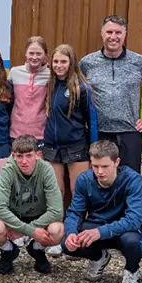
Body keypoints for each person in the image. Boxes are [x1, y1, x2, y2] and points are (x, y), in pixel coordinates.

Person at [78, 15, 142, 174]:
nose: (113, 37)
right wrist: (82, 119)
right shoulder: (86, 63)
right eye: (109, 32)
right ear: (102, 33)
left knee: (130, 178)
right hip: (99, 132)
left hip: (129, 133)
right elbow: (74, 92)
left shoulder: (139, 62)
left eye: (118, 32)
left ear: (125, 34)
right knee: (101, 178)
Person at [63, 140, 142, 283]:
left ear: (117, 162)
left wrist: (101, 232)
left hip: (124, 229)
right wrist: (71, 232)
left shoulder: (132, 179)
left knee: (132, 242)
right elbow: (75, 212)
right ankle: (99, 257)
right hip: (97, 225)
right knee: (66, 244)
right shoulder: (84, 180)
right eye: (95, 166)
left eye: (105, 166)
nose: (100, 171)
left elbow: (134, 219)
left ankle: (132, 270)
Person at [0, 135, 64, 276]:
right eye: (20, 156)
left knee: (57, 230)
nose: (24, 161)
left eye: (29, 156)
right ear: (13, 155)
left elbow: (57, 211)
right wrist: (29, 230)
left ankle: (37, 249)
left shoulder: (46, 170)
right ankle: (9, 251)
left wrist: (27, 230)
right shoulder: (8, 170)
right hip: (15, 215)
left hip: (39, 215)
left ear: (37, 155)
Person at [43, 44, 98, 199]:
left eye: (63, 62)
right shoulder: (50, 85)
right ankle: (57, 223)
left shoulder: (82, 88)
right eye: (56, 62)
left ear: (71, 63)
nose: (59, 66)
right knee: (55, 192)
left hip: (76, 146)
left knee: (78, 192)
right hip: (52, 147)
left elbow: (92, 121)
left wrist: (93, 149)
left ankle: (81, 223)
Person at [8, 36, 50, 143]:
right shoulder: (14, 72)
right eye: (31, 53)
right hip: (16, 131)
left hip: (40, 133)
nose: (34, 57)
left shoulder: (50, 75)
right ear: (25, 54)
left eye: (39, 54)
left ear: (45, 55)